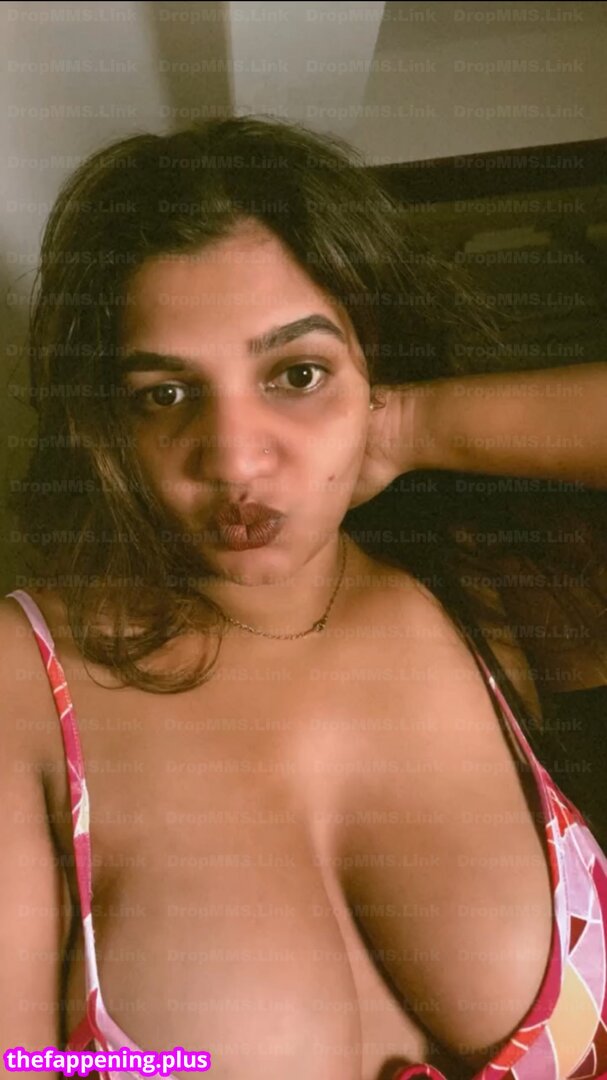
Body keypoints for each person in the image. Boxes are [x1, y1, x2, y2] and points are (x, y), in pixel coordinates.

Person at [2, 115, 606, 1080]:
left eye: (297, 373)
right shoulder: (24, 680)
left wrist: (415, 425)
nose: (235, 460)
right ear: (107, 422)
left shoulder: (481, 587)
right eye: (165, 394)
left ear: (375, 367)